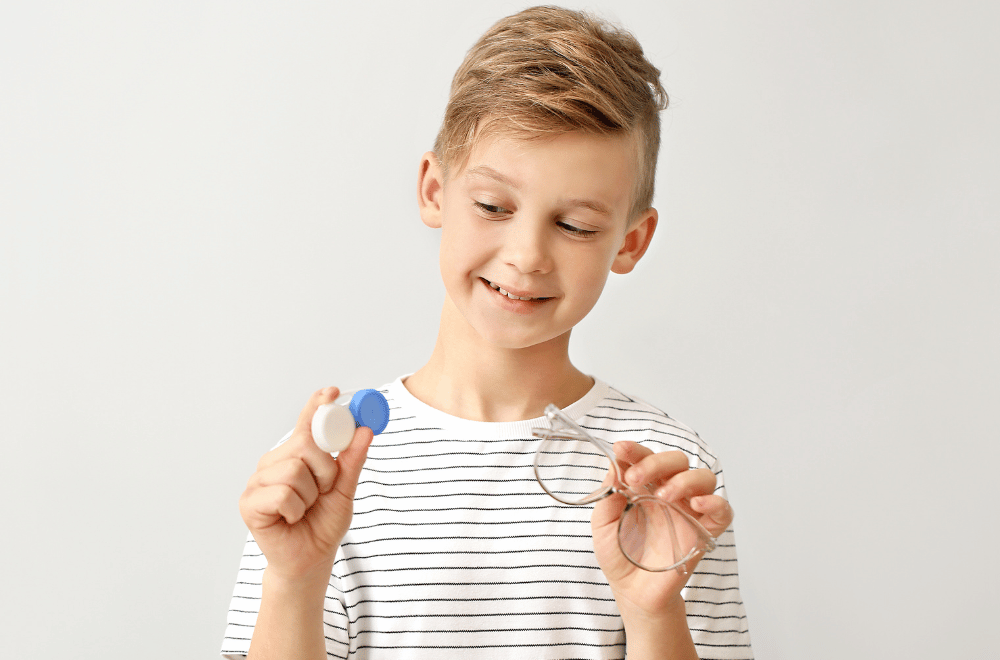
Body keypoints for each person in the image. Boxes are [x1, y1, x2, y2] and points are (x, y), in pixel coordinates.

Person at [222, 6, 753, 659]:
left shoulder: (667, 477)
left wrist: (653, 614)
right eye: (494, 207)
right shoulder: (326, 471)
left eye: (577, 225)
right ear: (435, 190)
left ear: (631, 241)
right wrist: (294, 582)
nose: (527, 255)